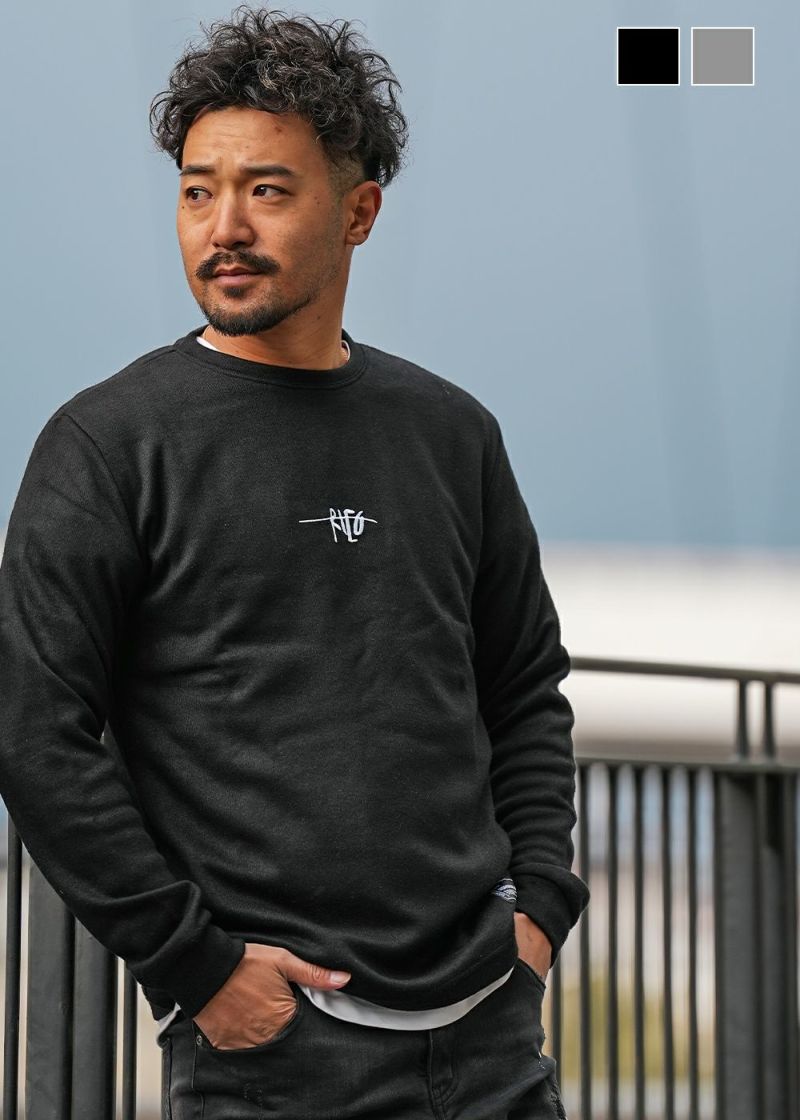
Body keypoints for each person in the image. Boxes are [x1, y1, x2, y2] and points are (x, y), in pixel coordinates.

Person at [0, 7, 589, 1118]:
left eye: (266, 190)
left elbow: (522, 687)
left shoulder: (450, 432)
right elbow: (35, 731)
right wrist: (195, 967)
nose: (223, 226)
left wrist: (540, 912)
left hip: (492, 1042)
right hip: (272, 1055)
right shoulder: (108, 444)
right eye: (197, 191)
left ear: (358, 211)